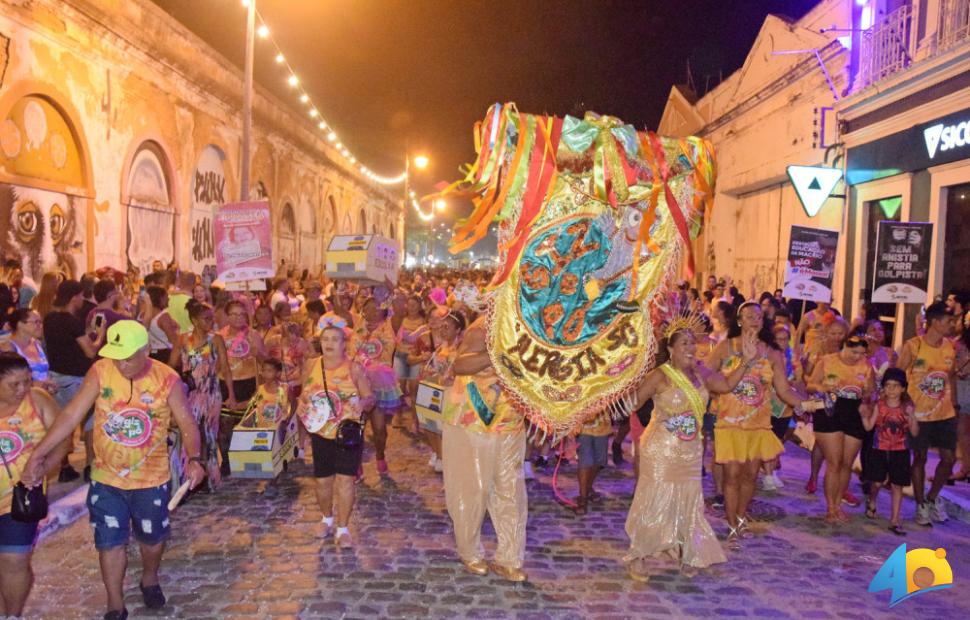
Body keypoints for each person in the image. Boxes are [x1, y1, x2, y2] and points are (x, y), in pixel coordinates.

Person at [23, 321, 205, 620]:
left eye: (128, 357)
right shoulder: (101, 371)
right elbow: (70, 416)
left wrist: (195, 459)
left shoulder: (167, 380)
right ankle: (115, 604)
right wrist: (39, 455)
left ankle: (149, 577)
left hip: (151, 479)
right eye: (116, 356)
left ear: (146, 350)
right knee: (109, 542)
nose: (121, 364)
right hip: (106, 478)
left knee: (152, 539)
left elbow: (186, 423)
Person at [625, 321, 756, 580]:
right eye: (683, 343)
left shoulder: (702, 373)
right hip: (661, 448)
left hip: (691, 449)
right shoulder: (659, 375)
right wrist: (617, 383)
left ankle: (688, 554)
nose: (690, 347)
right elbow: (633, 402)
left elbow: (727, 385)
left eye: (692, 342)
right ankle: (639, 555)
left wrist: (746, 362)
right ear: (671, 348)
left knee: (689, 503)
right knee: (654, 499)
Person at [706, 301, 808, 548]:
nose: (754, 320)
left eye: (759, 317)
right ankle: (731, 526)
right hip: (728, 422)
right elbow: (707, 377)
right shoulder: (725, 348)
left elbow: (783, 389)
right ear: (739, 320)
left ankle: (740, 519)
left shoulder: (772, 353)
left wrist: (803, 404)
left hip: (758, 423)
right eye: (749, 315)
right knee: (731, 475)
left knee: (750, 476)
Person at [443, 313, 528, 582]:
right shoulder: (484, 326)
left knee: (511, 489)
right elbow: (460, 365)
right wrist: (500, 355)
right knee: (473, 487)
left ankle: (509, 558)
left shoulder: (540, 324)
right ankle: (469, 551)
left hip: (511, 420)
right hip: (475, 417)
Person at [0, 353, 68, 619]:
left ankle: (13, 615)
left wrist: (45, 465)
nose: (22, 390)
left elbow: (63, 439)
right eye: (13, 385)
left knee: (14, 560)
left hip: (20, 498)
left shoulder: (38, 401)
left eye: (27, 381)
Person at [297, 324, 374, 549]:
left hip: (347, 433)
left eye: (335, 339)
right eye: (325, 339)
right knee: (323, 481)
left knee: (345, 479)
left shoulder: (354, 369)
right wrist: (301, 406)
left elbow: (370, 398)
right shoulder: (311, 365)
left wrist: (363, 403)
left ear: (344, 344)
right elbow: (304, 394)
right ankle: (326, 518)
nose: (329, 343)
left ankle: (343, 528)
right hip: (320, 432)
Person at [896, 301, 958, 525]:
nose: (953, 324)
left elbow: (950, 375)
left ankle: (932, 498)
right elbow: (898, 374)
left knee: (949, 459)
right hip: (919, 415)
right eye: (948, 321)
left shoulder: (950, 346)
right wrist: (903, 403)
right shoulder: (913, 346)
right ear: (934, 321)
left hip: (945, 413)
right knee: (920, 457)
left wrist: (955, 403)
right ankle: (920, 504)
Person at [806, 328, 875, 524]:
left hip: (854, 413)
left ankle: (838, 504)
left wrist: (867, 399)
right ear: (844, 346)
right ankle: (830, 508)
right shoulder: (827, 361)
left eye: (862, 353)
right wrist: (822, 387)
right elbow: (811, 384)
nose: (858, 357)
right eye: (854, 352)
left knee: (847, 462)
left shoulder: (866, 366)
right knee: (834, 462)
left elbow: (871, 391)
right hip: (829, 410)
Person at [43, 280, 106, 482]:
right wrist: (101, 334)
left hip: (56, 377)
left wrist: (86, 332)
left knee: (62, 422)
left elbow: (66, 342)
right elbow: (90, 351)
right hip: (77, 378)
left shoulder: (49, 319)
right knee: (89, 423)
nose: (82, 300)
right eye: (80, 296)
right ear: (73, 298)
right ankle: (90, 465)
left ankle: (64, 466)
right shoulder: (72, 321)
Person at [180, 300, 234, 488]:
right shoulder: (182, 340)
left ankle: (211, 478)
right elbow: (172, 366)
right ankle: (193, 476)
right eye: (206, 319)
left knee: (210, 433)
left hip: (211, 392)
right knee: (192, 432)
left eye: (212, 318)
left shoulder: (216, 339)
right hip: (191, 393)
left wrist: (231, 395)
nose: (210, 322)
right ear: (194, 320)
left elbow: (226, 369)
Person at [862, 368, 919, 535]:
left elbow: (914, 432)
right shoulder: (879, 405)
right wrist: (864, 415)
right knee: (877, 482)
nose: (891, 390)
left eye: (895, 386)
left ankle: (894, 519)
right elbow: (869, 427)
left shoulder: (907, 407)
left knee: (897, 485)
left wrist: (912, 417)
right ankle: (872, 499)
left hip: (900, 450)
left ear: (903, 388)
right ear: (883, 388)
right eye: (888, 386)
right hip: (879, 448)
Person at [350, 297, 401, 474]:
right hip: (358, 382)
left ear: (384, 310)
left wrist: (388, 289)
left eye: (376, 308)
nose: (372, 311)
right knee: (357, 428)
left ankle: (380, 455)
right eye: (368, 308)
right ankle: (357, 464)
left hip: (380, 383)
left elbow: (399, 307)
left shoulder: (389, 325)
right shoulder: (358, 325)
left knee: (379, 430)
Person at [417, 310, 465, 473]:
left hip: (451, 393)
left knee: (445, 429)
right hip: (433, 388)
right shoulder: (440, 347)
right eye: (442, 327)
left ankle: (447, 458)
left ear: (458, 330)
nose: (443, 330)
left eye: (447, 327)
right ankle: (439, 454)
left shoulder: (462, 348)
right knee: (429, 425)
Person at [762, 322, 803, 491]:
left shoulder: (793, 359)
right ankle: (768, 474)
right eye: (779, 339)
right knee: (768, 440)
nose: (782, 342)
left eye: (785, 339)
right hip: (768, 404)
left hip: (785, 406)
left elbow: (799, 380)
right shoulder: (767, 357)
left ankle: (771, 472)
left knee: (778, 439)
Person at [248, 358, 289, 497]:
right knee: (264, 456)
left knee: (274, 455)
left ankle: (273, 483)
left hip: (277, 428)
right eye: (264, 370)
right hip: (262, 428)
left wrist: (285, 420)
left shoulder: (282, 389)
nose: (266, 374)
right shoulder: (260, 389)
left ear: (278, 373)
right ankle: (268, 479)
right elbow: (252, 404)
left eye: (270, 371)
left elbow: (289, 406)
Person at [0, 309, 53, 393]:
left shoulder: (37, 344)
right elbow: (7, 379)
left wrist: (49, 384)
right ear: (20, 324)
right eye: (36, 322)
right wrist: (32, 384)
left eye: (41, 322)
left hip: (41, 396)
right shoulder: (8, 348)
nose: (40, 326)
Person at [144, 286, 180, 369]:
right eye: (166, 296)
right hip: (164, 355)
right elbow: (174, 341)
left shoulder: (144, 314)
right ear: (160, 299)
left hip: (150, 354)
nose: (168, 299)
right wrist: (178, 329)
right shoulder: (164, 316)